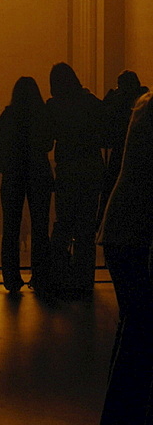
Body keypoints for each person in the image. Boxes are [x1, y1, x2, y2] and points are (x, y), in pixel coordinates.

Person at [99, 88, 153, 424]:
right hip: (136, 235)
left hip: (123, 230)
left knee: (135, 328)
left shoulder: (145, 107)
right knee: (140, 332)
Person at [45, 61, 104, 299]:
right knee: (86, 228)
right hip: (90, 168)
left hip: (68, 169)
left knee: (64, 223)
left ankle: (58, 276)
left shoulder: (54, 106)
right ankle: (84, 279)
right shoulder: (90, 103)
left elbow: (48, 139)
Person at [0, 76, 54, 294]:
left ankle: (11, 278)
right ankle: (41, 276)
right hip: (38, 170)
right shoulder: (42, 114)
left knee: (10, 226)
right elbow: (48, 143)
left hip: (13, 171)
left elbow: (0, 139)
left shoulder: (9, 115)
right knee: (40, 226)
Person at [97, 70, 147, 228]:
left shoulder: (118, 102)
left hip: (120, 153)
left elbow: (103, 123)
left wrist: (111, 97)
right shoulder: (143, 102)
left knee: (113, 191)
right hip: (142, 156)